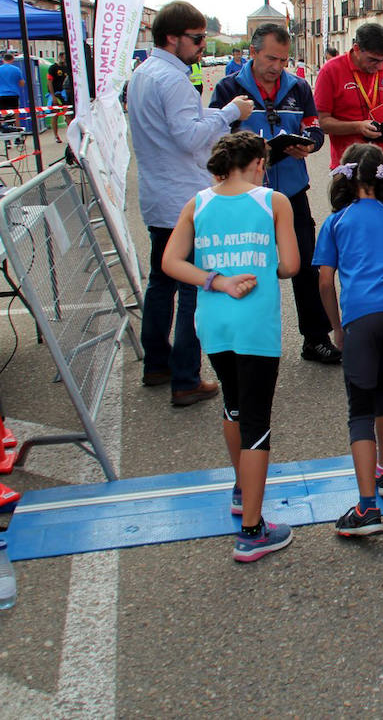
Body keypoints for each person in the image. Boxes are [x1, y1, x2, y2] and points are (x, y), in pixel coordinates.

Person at [160, 131, 301, 562]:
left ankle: (241, 489)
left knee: (234, 405)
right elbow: (290, 266)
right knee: (257, 419)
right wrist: (259, 260)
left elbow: (170, 262)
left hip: (214, 321)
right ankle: (253, 530)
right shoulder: (273, 202)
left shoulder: (197, 203)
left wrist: (217, 279)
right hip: (255, 323)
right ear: (259, 163)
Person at [128, 0, 255, 406]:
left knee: (162, 282)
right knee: (193, 287)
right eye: (197, 39)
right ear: (173, 38)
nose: (203, 46)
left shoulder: (145, 74)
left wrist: (215, 115)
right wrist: (229, 113)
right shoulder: (171, 79)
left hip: (159, 194)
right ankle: (185, 376)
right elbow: (189, 137)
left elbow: (178, 130)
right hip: (182, 195)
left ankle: (158, 364)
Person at [209, 22, 340, 366]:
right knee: (247, 268)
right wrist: (258, 150)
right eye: (270, 58)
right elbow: (213, 141)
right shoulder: (228, 89)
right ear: (252, 53)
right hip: (244, 197)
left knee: (307, 267)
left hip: (292, 192)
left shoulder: (298, 86)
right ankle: (243, 341)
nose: (277, 67)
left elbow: (314, 126)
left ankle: (315, 338)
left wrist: (308, 143)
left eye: (283, 60)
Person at [314, 144, 383, 536]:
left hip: (361, 314)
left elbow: (325, 281)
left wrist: (337, 326)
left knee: (359, 406)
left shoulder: (337, 221)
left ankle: (366, 507)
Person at [315, 22, 383, 182]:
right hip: (350, 164)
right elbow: (322, 122)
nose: (380, 66)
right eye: (373, 60)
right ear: (357, 48)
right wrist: (358, 126)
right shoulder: (330, 70)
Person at [46, 53, 69, 143]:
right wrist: (52, 96)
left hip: (65, 94)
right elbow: (49, 82)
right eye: (62, 58)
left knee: (68, 114)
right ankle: (56, 135)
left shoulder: (67, 68)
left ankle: (70, 135)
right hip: (55, 93)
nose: (63, 60)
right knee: (55, 115)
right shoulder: (53, 68)